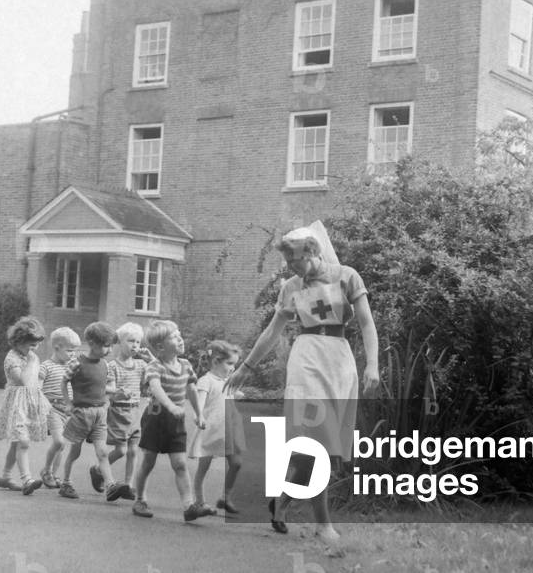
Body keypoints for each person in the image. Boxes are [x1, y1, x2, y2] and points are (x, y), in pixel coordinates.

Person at [225, 224, 380, 542]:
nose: (291, 267)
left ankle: (281, 500)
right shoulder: (291, 287)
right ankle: (324, 525)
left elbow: (366, 322)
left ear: (313, 252)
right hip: (306, 360)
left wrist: (373, 366)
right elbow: (272, 332)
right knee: (315, 442)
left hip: (339, 361)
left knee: (327, 448)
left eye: (295, 260)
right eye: (288, 263)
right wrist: (246, 367)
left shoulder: (346, 276)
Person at [130, 319, 213, 522]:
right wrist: (171, 406)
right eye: (174, 337)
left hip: (176, 422)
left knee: (180, 464)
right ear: (160, 347)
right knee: (148, 461)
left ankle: (189, 506)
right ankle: (140, 499)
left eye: (179, 335)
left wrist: (199, 413)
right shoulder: (154, 367)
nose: (180, 339)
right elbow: (156, 389)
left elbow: (191, 389)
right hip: (155, 420)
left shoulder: (185, 365)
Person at [57, 321, 127, 502]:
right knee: (75, 451)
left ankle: (110, 485)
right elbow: (64, 381)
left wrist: (116, 392)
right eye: (106, 346)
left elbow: (106, 385)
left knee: (102, 452)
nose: (110, 350)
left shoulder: (105, 364)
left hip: (100, 413)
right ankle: (66, 482)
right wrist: (68, 403)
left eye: (111, 346)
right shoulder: (77, 362)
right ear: (92, 343)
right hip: (81, 413)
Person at [91, 322, 149, 500]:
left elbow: (153, 377)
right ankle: (97, 469)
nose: (135, 346)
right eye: (131, 341)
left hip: (136, 412)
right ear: (119, 342)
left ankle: (128, 485)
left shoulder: (141, 365)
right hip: (119, 413)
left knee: (133, 450)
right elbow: (110, 392)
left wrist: (151, 358)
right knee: (122, 450)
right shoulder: (113, 366)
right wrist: (119, 394)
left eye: (138, 342)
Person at [0, 316, 52, 495]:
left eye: (36, 345)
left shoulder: (31, 356)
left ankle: (5, 476)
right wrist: (33, 363)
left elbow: (35, 381)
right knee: (23, 441)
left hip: (29, 403)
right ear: (18, 341)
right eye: (30, 344)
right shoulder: (12, 358)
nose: (34, 349)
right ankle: (27, 479)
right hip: (16, 404)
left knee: (16, 443)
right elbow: (23, 380)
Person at [189, 339, 245, 515]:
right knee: (203, 467)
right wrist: (199, 415)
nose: (233, 368)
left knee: (236, 463)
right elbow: (200, 402)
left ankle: (225, 497)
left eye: (235, 364)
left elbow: (231, 394)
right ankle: (199, 502)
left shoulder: (229, 381)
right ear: (216, 361)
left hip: (229, 428)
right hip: (211, 429)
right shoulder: (206, 381)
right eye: (229, 363)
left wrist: (237, 393)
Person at [38, 326, 82, 488]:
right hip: (52, 408)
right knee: (59, 442)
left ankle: (53, 474)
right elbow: (37, 387)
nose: (73, 354)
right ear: (57, 348)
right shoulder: (46, 366)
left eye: (75, 351)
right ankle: (47, 471)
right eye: (70, 351)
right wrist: (43, 403)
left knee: (61, 446)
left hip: (68, 410)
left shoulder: (72, 367)